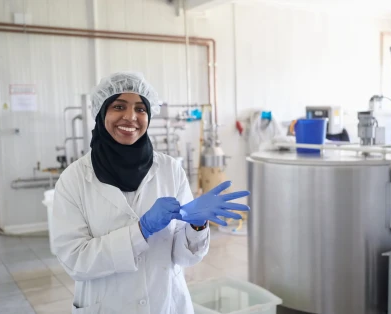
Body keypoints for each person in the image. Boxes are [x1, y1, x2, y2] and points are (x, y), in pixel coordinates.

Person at [51, 72, 250, 314]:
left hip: (165, 303)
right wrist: (140, 230)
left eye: (140, 109)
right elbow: (76, 261)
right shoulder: (74, 179)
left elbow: (183, 258)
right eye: (118, 106)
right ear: (102, 112)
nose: (130, 117)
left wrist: (196, 226)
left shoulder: (170, 169)